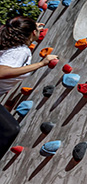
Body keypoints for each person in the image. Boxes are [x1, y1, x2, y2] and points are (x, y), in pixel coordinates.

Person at [0, 16, 57, 151]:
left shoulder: (10, 44)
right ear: (32, 33)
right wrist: (41, 64)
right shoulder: (21, 51)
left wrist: (30, 27)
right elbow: (2, 72)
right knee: (10, 130)